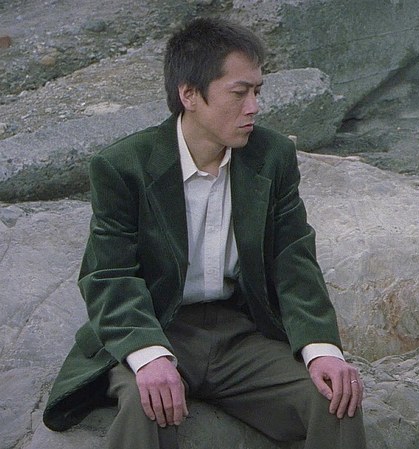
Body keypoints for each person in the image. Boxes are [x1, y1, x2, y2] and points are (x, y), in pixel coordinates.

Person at [42, 17, 366, 449]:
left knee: (335, 399)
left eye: (257, 91)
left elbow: (293, 259)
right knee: (147, 402)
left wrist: (321, 348)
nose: (254, 107)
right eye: (239, 92)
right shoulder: (123, 166)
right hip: (159, 324)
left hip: (239, 332)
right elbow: (109, 275)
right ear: (189, 94)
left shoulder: (272, 156)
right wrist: (149, 357)